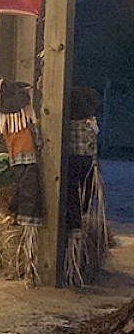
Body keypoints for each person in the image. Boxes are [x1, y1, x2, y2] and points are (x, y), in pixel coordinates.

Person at [65, 86, 100, 230]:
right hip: (87, 160)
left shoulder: (67, 123)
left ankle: (74, 219)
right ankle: (80, 216)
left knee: (72, 190)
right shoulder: (89, 123)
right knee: (86, 189)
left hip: (72, 159)